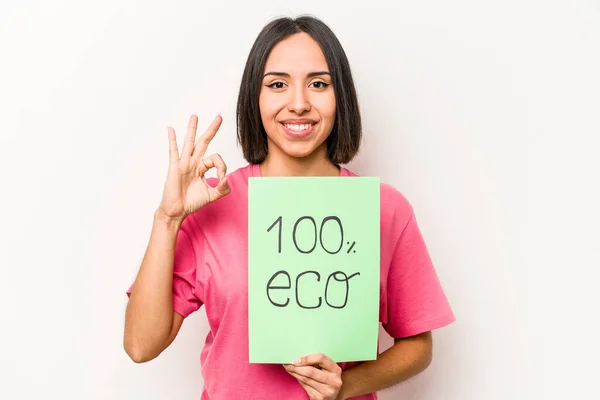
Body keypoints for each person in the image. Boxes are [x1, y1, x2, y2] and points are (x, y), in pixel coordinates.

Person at [124, 15, 455, 400]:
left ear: (340, 97)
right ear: (256, 97)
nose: (298, 104)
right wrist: (169, 218)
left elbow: (418, 344)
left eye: (318, 84)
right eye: (278, 85)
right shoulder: (214, 202)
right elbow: (140, 345)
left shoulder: (385, 208)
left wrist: (346, 386)